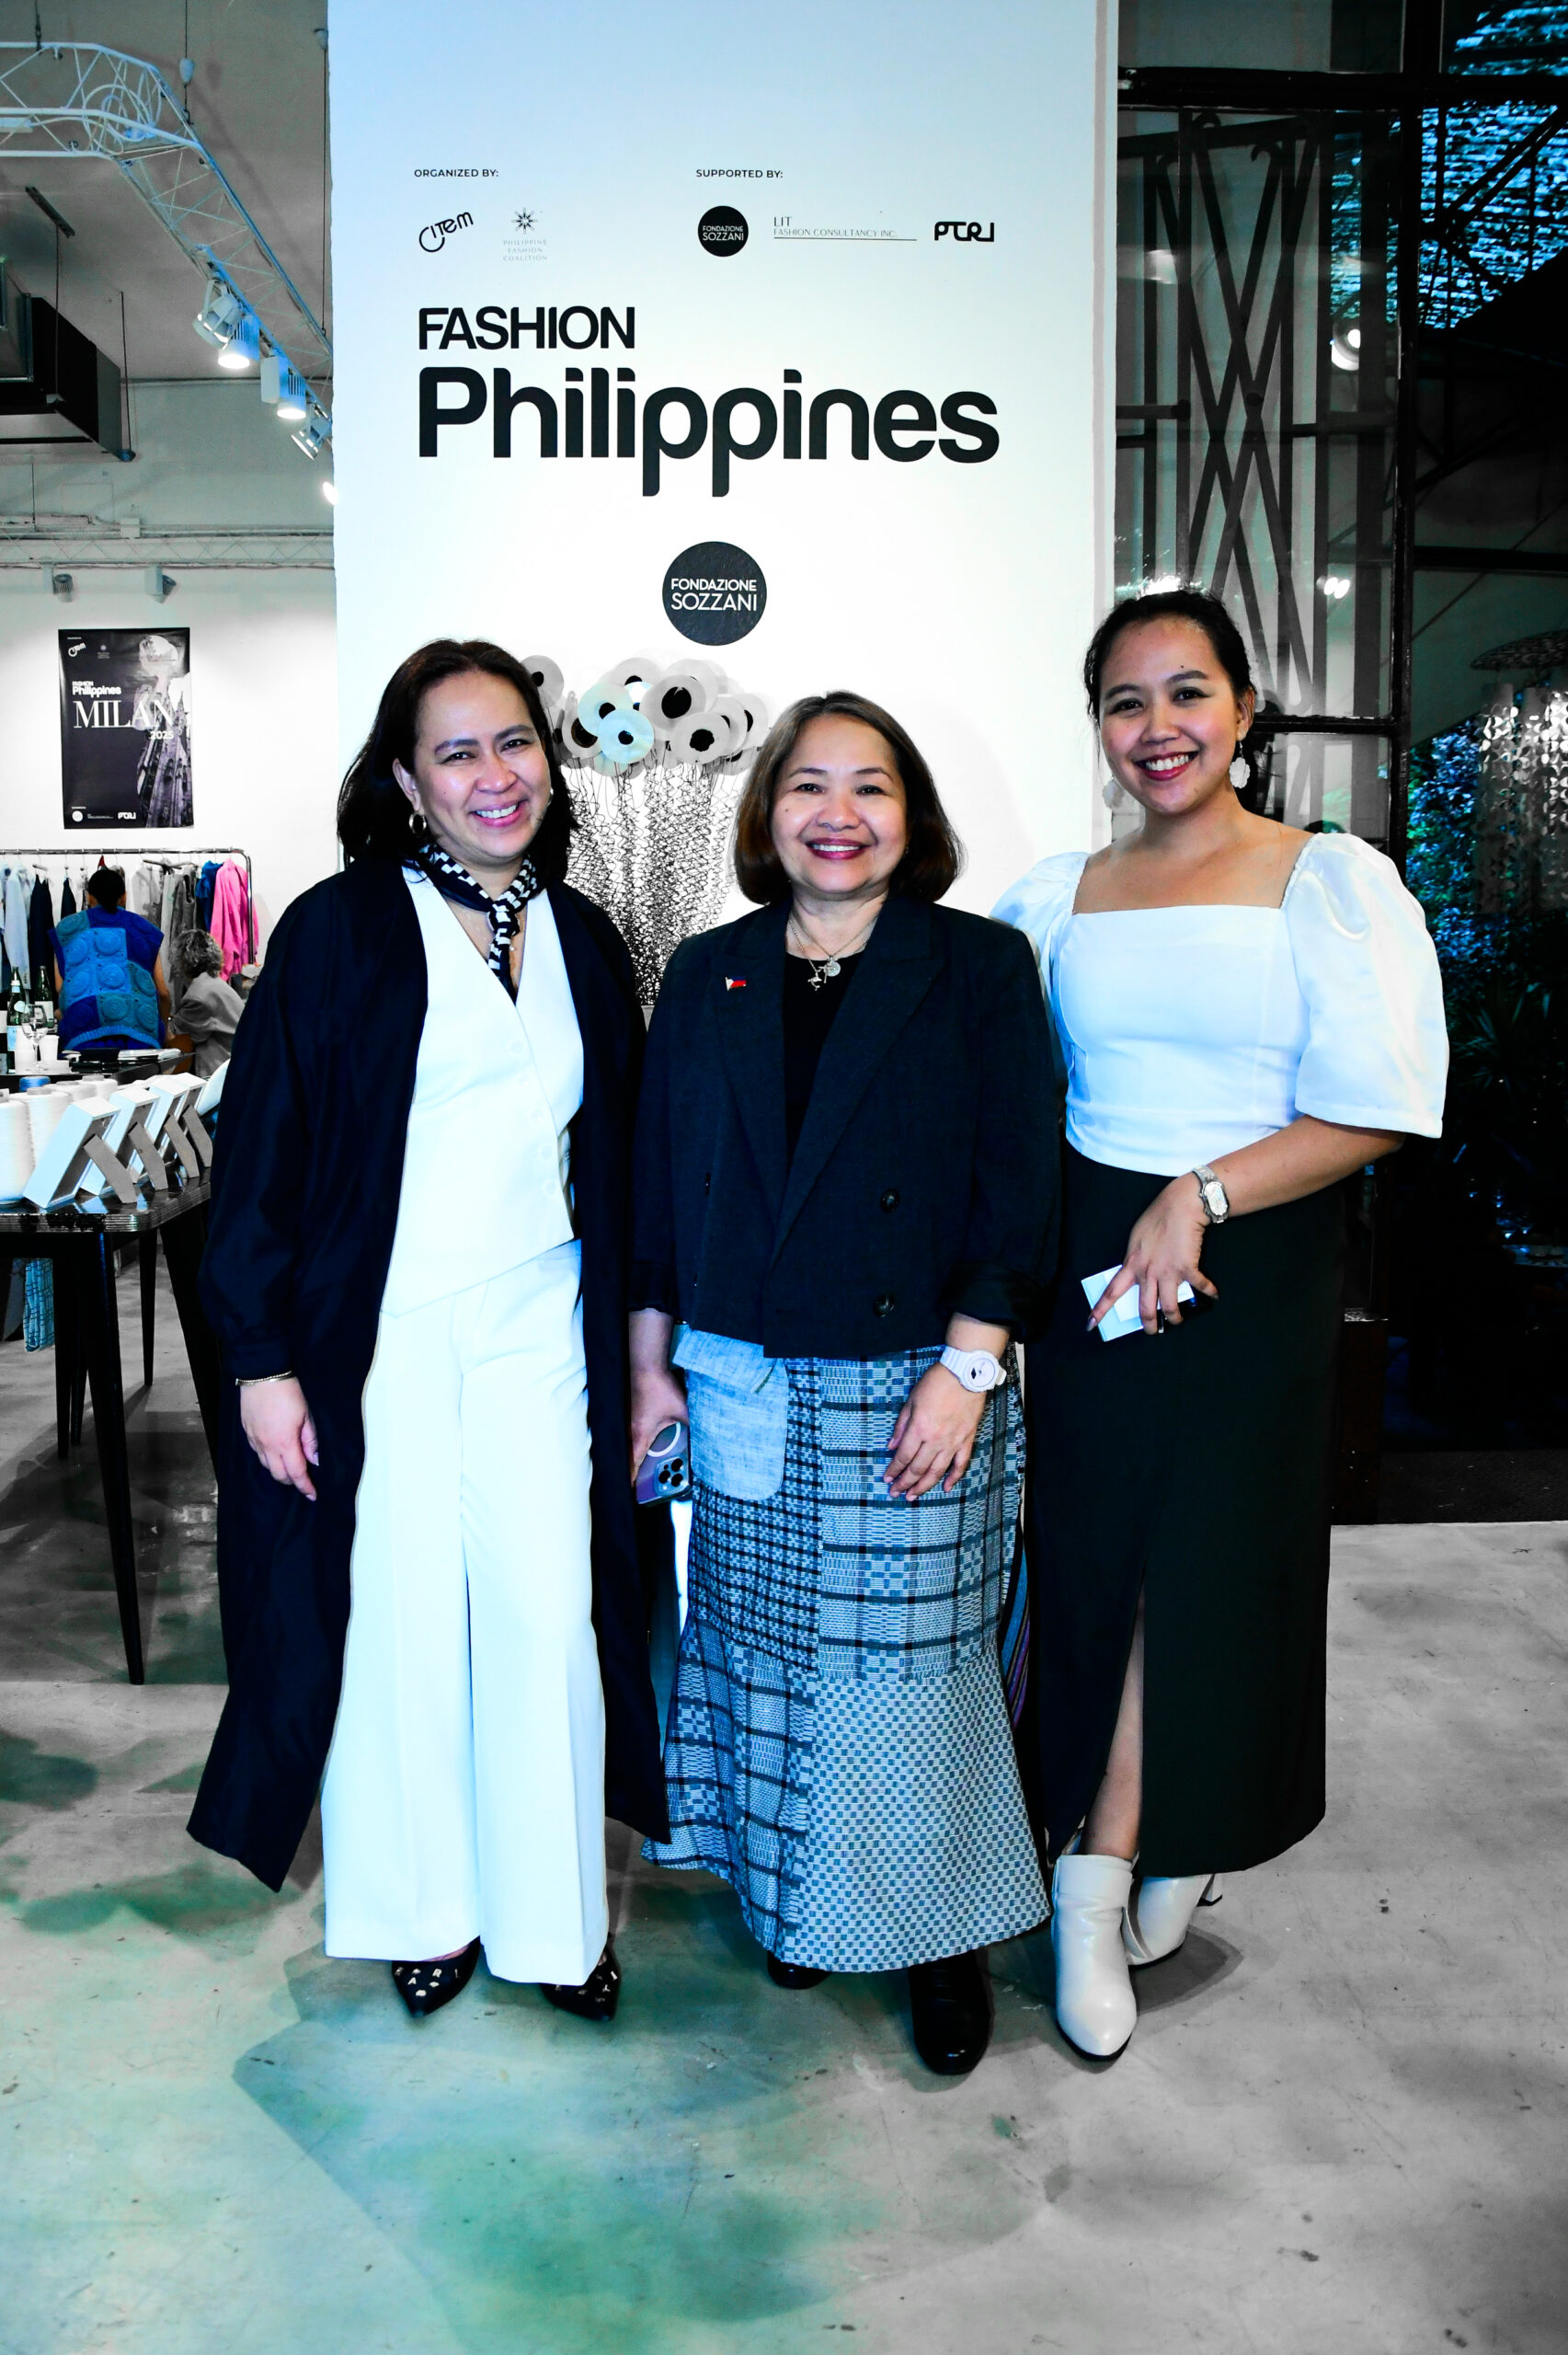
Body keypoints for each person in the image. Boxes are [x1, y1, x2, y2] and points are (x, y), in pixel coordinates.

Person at [993, 588, 1448, 2062]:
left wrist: (1199, 1194)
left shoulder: (1328, 879)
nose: (1157, 727)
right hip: (1091, 1269)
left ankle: (1101, 1863)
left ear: (1244, 709)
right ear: (1098, 728)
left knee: (1207, 1565)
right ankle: (1135, 1835)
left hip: (1249, 1254)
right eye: (1124, 702)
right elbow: (1013, 1095)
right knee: (1098, 1561)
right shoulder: (1056, 894)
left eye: (1186, 693)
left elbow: (1381, 1106)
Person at [188, 638, 668, 2022]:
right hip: (375, 1333)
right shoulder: (336, 930)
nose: (494, 774)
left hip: (540, 1322)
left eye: (514, 742)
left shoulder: (583, 937)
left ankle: (554, 1923)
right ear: (406, 780)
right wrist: (261, 1363)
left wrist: (646, 1361)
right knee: (395, 1619)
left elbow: (623, 1165)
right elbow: (260, 1160)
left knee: (545, 1614)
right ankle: (418, 1910)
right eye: (457, 751)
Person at [629, 690, 1058, 2076]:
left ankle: (942, 1943)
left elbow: (1017, 1181)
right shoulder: (708, 971)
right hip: (746, 1378)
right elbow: (658, 1188)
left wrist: (968, 1369)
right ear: (767, 813)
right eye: (808, 784)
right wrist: (650, 1371)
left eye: (870, 786)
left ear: (909, 815)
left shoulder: (976, 965)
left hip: (915, 1384)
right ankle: (801, 1901)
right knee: (764, 1665)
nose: (838, 813)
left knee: (917, 1678)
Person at [51, 866, 171, 1054]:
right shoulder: (144, 929)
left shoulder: (68, 929)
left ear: (89, 897)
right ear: (124, 897)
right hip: (139, 1034)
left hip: (83, 1032)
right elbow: (163, 992)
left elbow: (60, 988)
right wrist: (163, 1030)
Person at [171, 930, 245, 1078]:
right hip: (236, 1066)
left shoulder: (199, 995)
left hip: (222, 1074)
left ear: (183, 959)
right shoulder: (213, 984)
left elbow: (176, 1035)